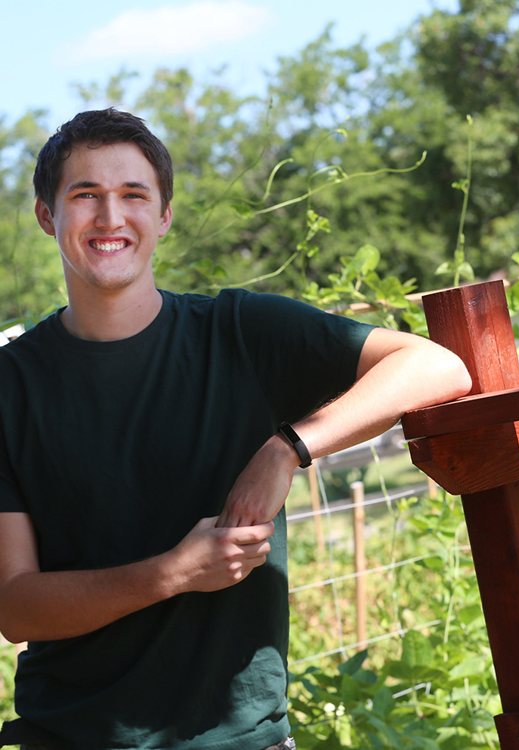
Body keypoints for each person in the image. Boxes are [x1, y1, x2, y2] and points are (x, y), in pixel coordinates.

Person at [0, 108, 471, 750]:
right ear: (47, 217)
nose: (111, 218)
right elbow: (16, 606)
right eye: (86, 195)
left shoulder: (241, 333)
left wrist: (288, 448)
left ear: (163, 216)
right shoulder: (11, 385)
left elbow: (436, 366)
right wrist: (174, 572)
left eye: (134, 195)